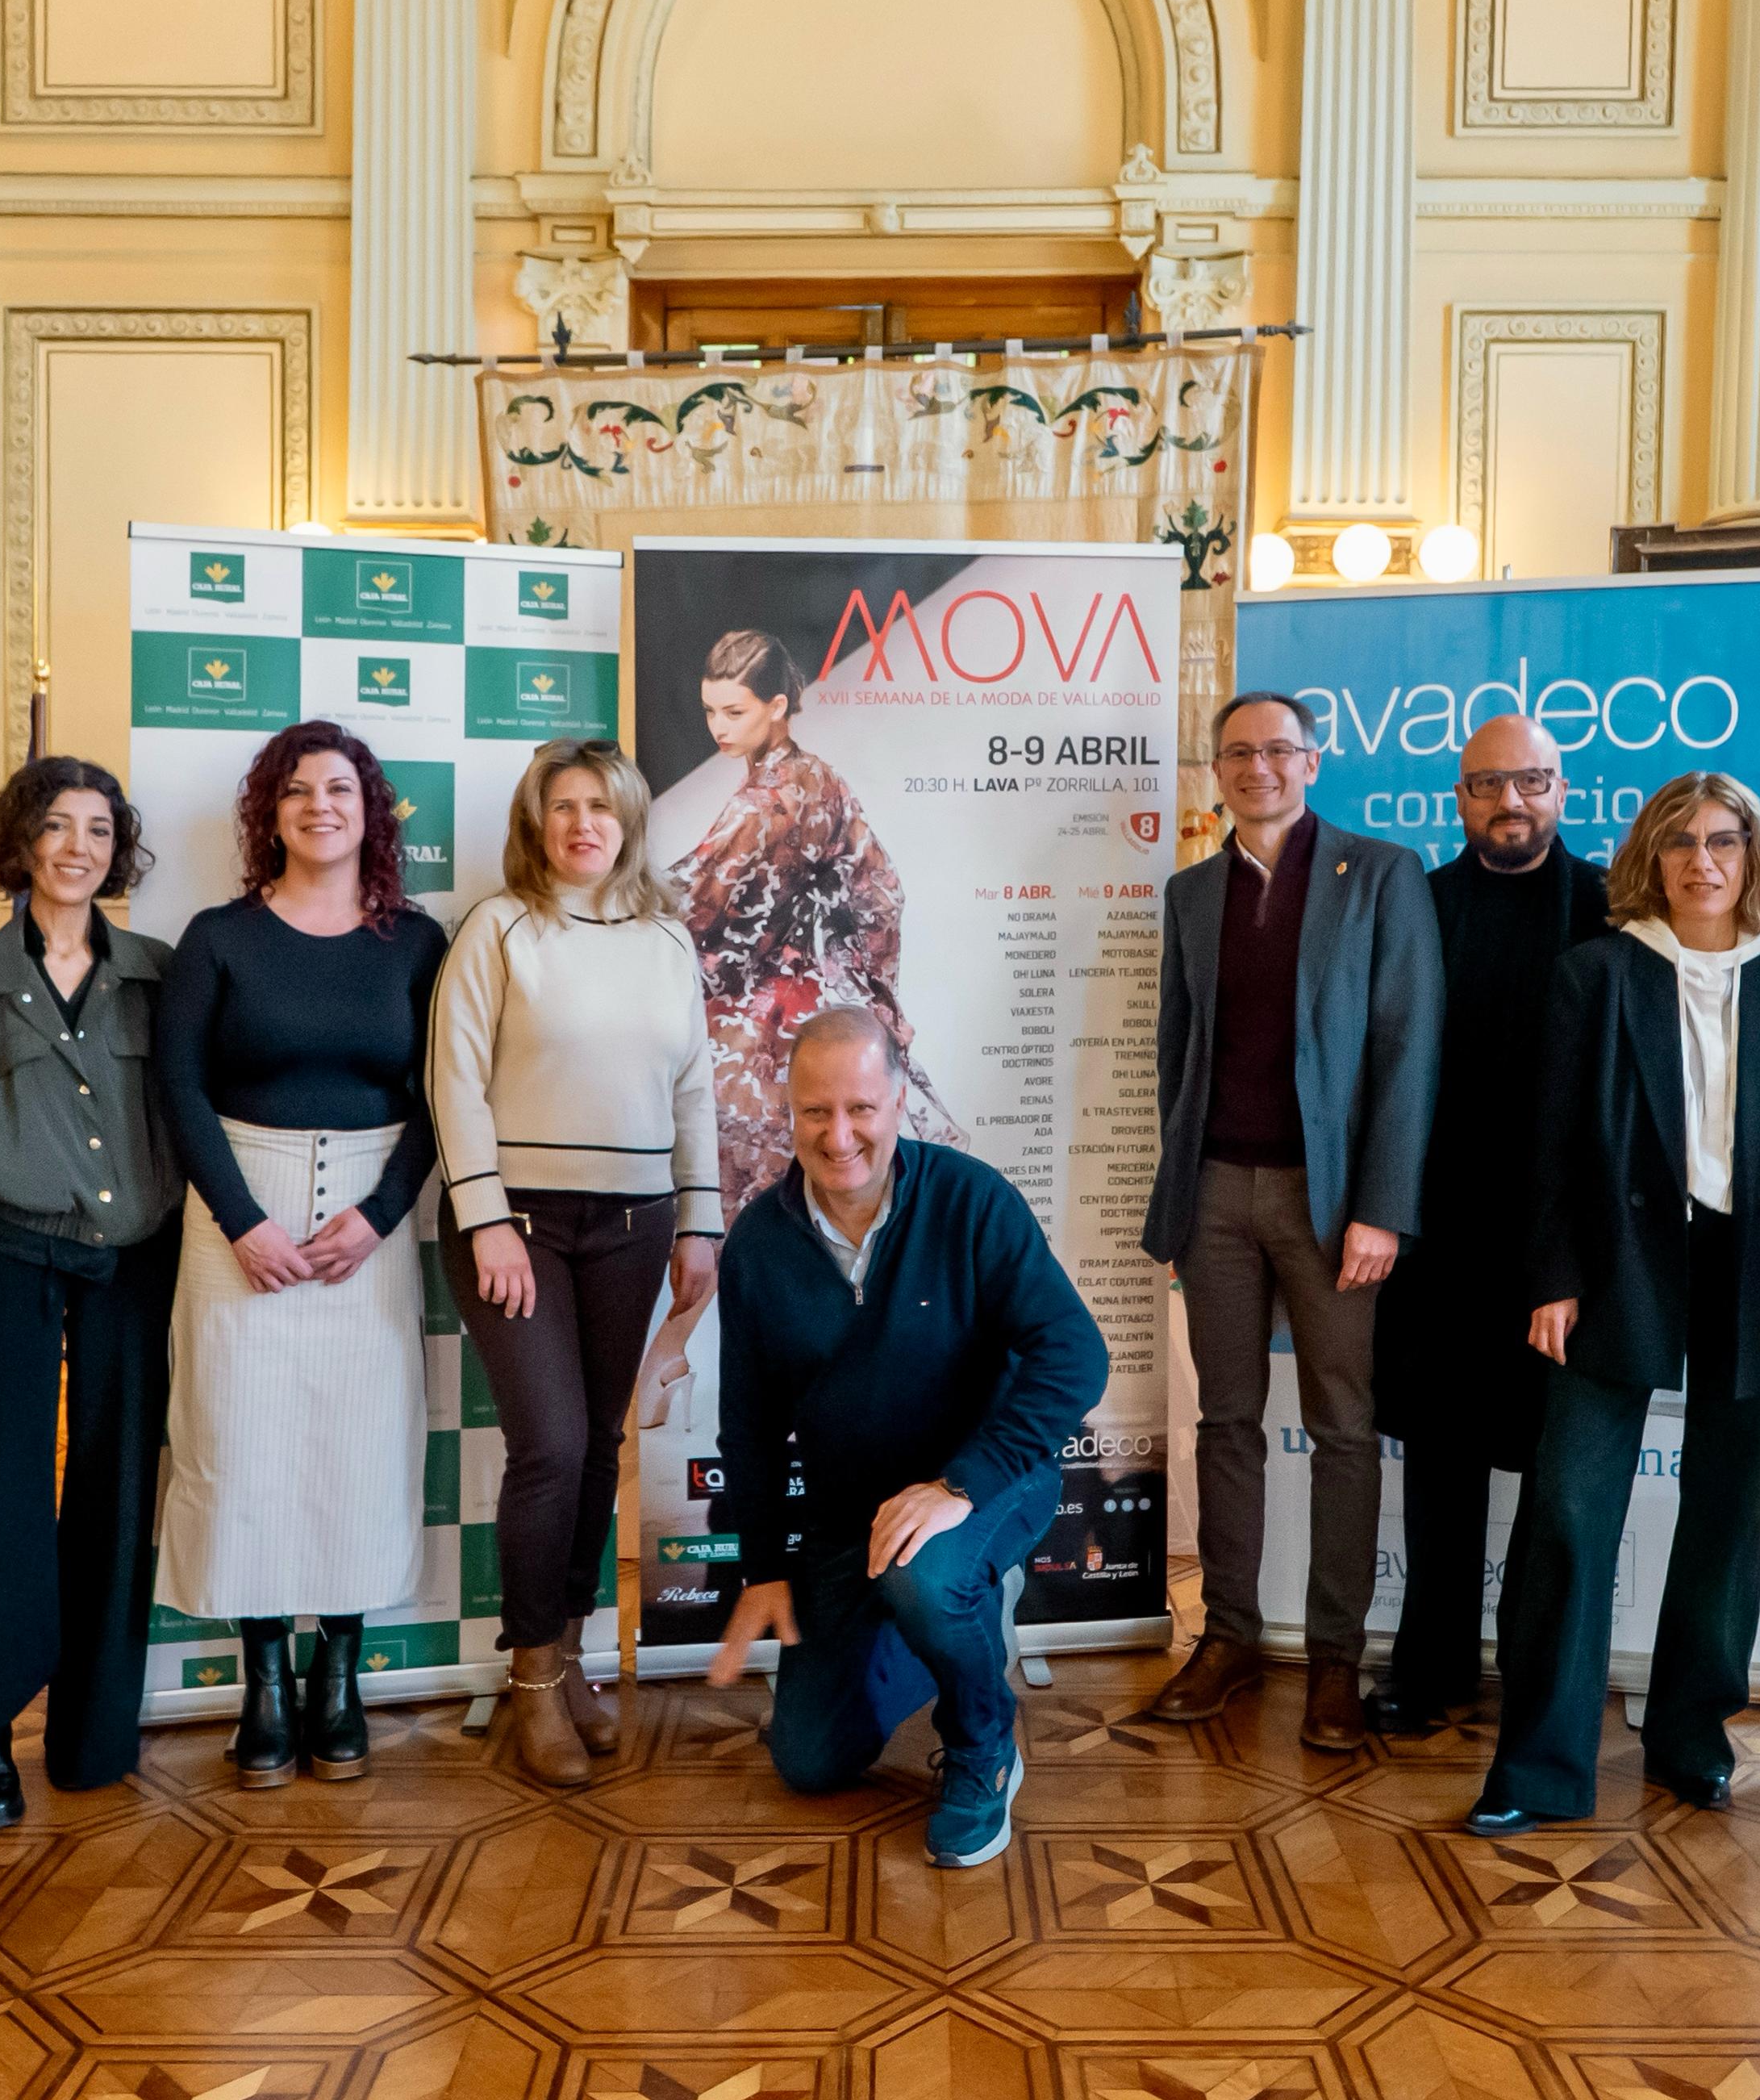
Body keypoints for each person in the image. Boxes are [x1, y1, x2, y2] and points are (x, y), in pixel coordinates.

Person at [1471, 772, 1760, 1834]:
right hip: (1615, 1263)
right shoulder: (1595, 974)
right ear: (1652, 857)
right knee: (1567, 1509)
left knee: (1727, 1511)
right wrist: (1551, 1278)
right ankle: (1539, 1766)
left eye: (1723, 841)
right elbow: (1548, 1143)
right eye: (1680, 841)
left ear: (1753, 856)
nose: (1702, 861)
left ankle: (1691, 1738)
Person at [707, 1009, 1108, 1869]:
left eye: (860, 1108)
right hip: (852, 1515)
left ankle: (982, 1743)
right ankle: (946, 1620)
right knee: (810, 1760)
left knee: (926, 1575)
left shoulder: (971, 1200)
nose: (838, 1136)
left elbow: (1076, 1355)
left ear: (898, 1101)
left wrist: (960, 1485)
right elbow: (748, 1423)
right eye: (815, 1111)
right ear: (787, 1109)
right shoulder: (757, 1245)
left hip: (987, 1481)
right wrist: (764, 1569)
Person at [1136, 689, 1444, 1747]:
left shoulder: (1381, 875)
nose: (1257, 767)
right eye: (1237, 752)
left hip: (1334, 1204)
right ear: (1216, 770)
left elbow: (1409, 1049)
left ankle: (1333, 1663)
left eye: (1277, 749)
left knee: (1342, 1430)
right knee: (1224, 1422)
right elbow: (1176, 1054)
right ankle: (1226, 1639)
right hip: (1217, 1194)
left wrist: (1381, 1210)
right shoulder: (1190, 893)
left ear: (1312, 761)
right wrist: (1180, 1198)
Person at [151, 720, 451, 1785]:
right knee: (242, 1449)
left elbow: (443, 1094)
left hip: (369, 1225)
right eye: (296, 791)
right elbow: (178, 1087)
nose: (319, 806)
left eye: (339, 790)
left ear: (370, 813)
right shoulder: (217, 938)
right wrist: (243, 1220)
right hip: (239, 1215)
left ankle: (341, 1678)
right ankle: (265, 1683)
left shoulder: (415, 944)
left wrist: (381, 1213)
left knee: (358, 1452)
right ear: (268, 815)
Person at [0, 755, 179, 1831]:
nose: (77, 848)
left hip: (134, 1265)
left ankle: (94, 1730)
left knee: (118, 1491)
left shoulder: (156, 973)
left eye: (99, 829)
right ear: (19, 842)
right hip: (3, 1257)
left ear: (118, 850)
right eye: (56, 826)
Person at [428, 741, 723, 1785]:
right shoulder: (498, 929)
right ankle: (531, 1676)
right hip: (519, 1226)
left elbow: (694, 1092)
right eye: (562, 806)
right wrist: (485, 1219)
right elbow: (454, 1080)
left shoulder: (666, 940)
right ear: (536, 824)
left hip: (636, 1225)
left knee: (598, 1443)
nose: (582, 823)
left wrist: (700, 1223)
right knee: (549, 1445)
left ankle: (572, 1653)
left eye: (601, 806)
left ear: (629, 821)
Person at [1377, 714, 1608, 1731]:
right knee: (1439, 1461)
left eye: (1529, 782)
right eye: (1485, 785)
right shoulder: (1416, 906)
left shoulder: (1610, 906)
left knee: (1556, 1469)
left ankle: (1534, 1672)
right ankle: (1429, 1668)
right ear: (1459, 798)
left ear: (1560, 790)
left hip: (1569, 1238)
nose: (1508, 802)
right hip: (1438, 1233)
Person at [673, 626, 955, 1215]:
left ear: (777, 707)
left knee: (765, 1202)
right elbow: (883, 895)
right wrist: (863, 990)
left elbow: (695, 899)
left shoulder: (774, 798)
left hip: (775, 1033)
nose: (719, 726)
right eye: (710, 711)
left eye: (734, 711)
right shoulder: (818, 776)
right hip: (825, 1024)